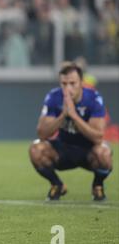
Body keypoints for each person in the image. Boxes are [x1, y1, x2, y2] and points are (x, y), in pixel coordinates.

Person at [29, 62, 113, 201]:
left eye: (72, 83)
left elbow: (98, 137)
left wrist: (74, 116)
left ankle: (97, 185)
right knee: (36, 150)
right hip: (64, 148)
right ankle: (57, 185)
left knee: (104, 153)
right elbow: (42, 133)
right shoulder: (53, 97)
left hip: (88, 150)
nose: (68, 88)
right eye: (64, 83)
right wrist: (63, 115)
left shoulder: (93, 98)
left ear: (81, 83)